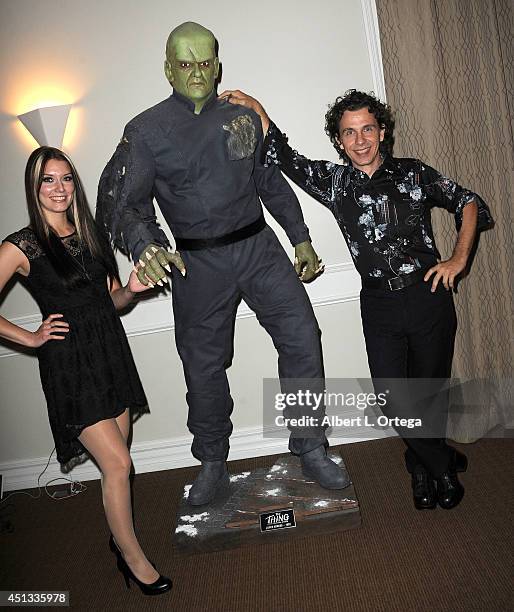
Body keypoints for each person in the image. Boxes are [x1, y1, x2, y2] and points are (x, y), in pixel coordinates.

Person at [96, 21, 349, 505]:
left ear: (217, 65)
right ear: (168, 68)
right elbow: (125, 202)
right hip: (196, 262)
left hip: (259, 248)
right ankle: (212, 459)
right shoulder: (146, 130)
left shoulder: (241, 116)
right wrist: (144, 243)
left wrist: (301, 238)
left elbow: (270, 182)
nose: (197, 72)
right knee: (203, 365)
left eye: (205, 61)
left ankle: (310, 444)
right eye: (185, 63)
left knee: (302, 336)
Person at [218, 88, 493, 510]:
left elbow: (468, 201)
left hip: (428, 298)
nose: (360, 140)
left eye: (367, 129)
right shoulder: (335, 182)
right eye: (349, 133)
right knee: (391, 397)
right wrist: (259, 110)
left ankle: (421, 471)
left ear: (382, 132)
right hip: (379, 306)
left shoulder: (413, 174)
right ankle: (441, 462)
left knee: (427, 393)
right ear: (339, 140)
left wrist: (457, 258)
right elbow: (287, 156)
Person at [0, 147, 172, 595]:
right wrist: (31, 338)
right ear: (33, 188)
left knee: (118, 464)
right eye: (47, 180)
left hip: (110, 352)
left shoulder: (90, 234)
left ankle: (119, 540)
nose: (58, 189)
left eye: (65, 178)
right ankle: (134, 559)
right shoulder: (22, 245)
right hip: (71, 364)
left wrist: (132, 289)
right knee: (119, 464)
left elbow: (110, 298)